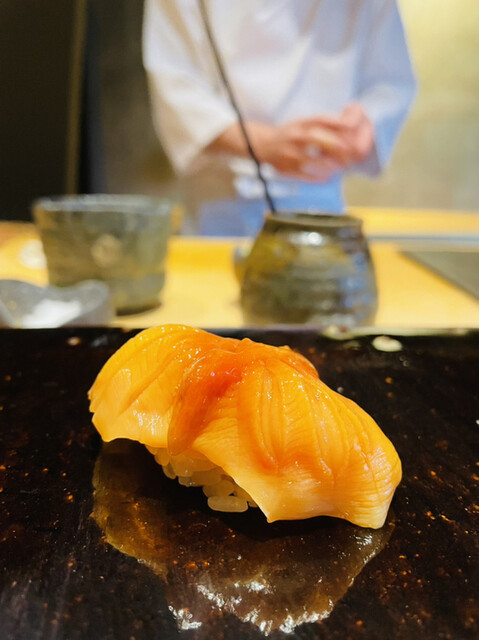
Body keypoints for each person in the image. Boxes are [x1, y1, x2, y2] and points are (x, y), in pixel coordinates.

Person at [143, 0, 416, 235]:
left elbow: (391, 83)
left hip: (322, 197)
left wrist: (364, 123)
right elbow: (174, 80)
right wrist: (263, 144)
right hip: (218, 206)